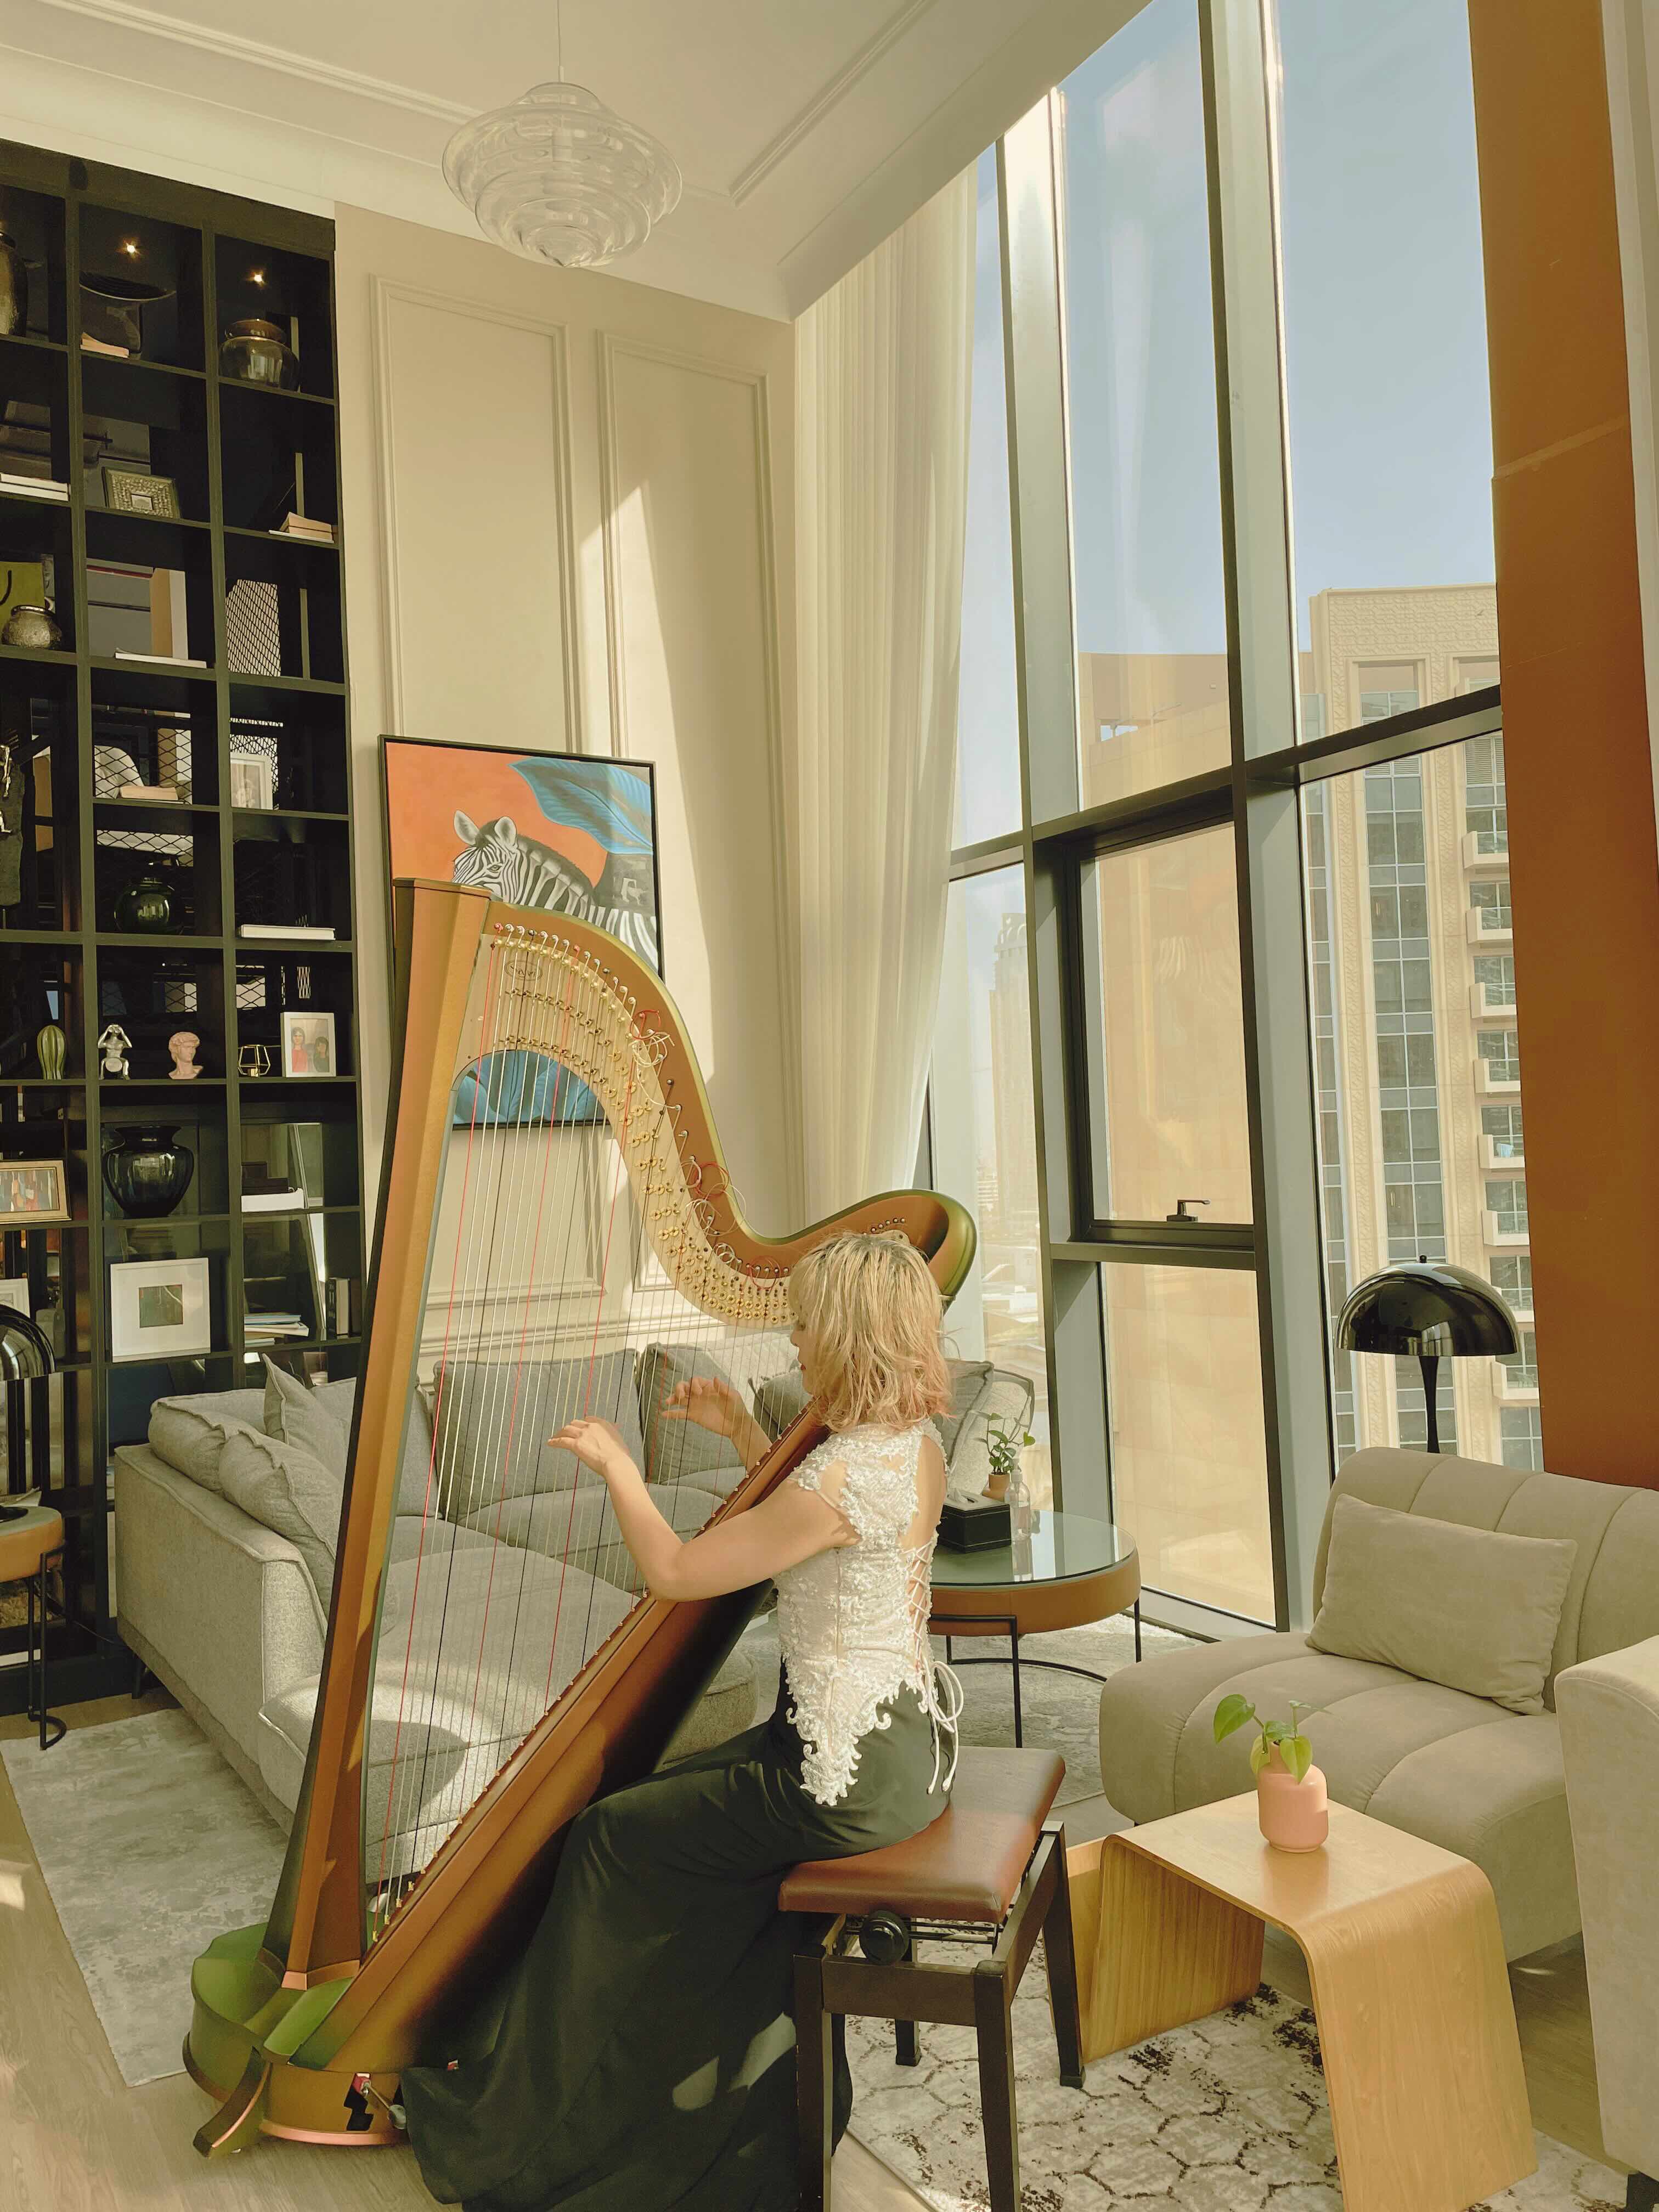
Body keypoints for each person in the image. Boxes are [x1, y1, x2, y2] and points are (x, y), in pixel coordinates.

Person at [401, 1232, 962, 2212]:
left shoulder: (839, 1478)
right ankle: (682, 2098)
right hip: (905, 1750)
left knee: (608, 1841)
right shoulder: (910, 1450)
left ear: (846, 1338)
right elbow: (805, 1529)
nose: (794, 1343)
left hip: (830, 1781)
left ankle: (541, 2122)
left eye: (804, 1326)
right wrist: (742, 1430)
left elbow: (674, 1572)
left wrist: (617, 1465)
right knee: (661, 1810)